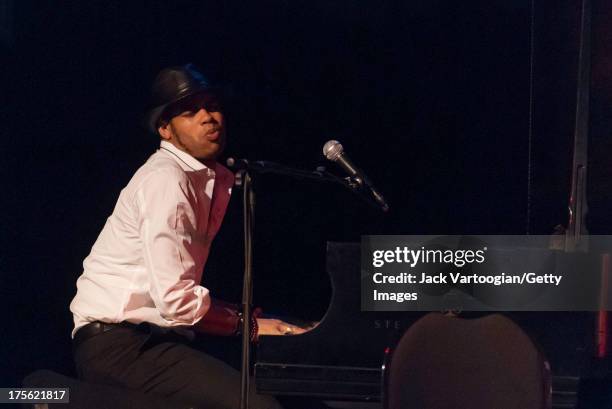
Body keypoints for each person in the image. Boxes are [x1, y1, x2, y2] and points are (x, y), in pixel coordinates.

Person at [69, 64, 303, 409]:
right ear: (165, 128)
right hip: (121, 348)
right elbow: (176, 301)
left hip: (156, 339)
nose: (209, 117)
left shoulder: (201, 178)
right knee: (259, 406)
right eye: (191, 112)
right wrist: (249, 326)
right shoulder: (167, 180)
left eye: (213, 107)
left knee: (278, 388)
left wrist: (254, 320)